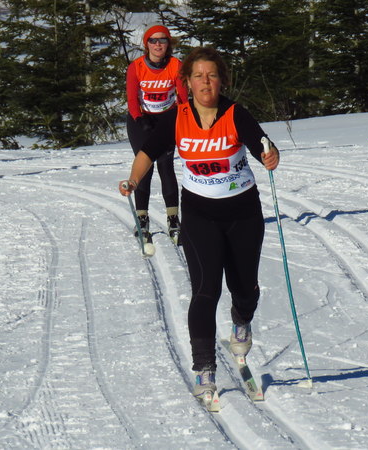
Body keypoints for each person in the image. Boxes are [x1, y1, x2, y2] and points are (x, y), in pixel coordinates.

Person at [118, 47, 280, 405]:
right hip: (199, 214)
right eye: (198, 76)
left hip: (243, 213)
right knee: (206, 291)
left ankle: (242, 321)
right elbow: (147, 152)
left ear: (222, 80)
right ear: (187, 83)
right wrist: (133, 180)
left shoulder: (236, 114)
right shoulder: (177, 117)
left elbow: (263, 146)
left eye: (212, 75)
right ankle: (204, 369)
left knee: (245, 290)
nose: (206, 82)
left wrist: (270, 156)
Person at [125, 23, 188, 244]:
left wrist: (182, 118)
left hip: (167, 119)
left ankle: (173, 219)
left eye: (163, 40)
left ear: (168, 44)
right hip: (141, 120)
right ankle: (142, 219)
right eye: (153, 40)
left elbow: (183, 96)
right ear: (147, 44)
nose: (158, 44)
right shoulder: (136, 67)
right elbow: (132, 98)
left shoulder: (176, 65)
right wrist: (140, 119)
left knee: (165, 165)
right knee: (145, 167)